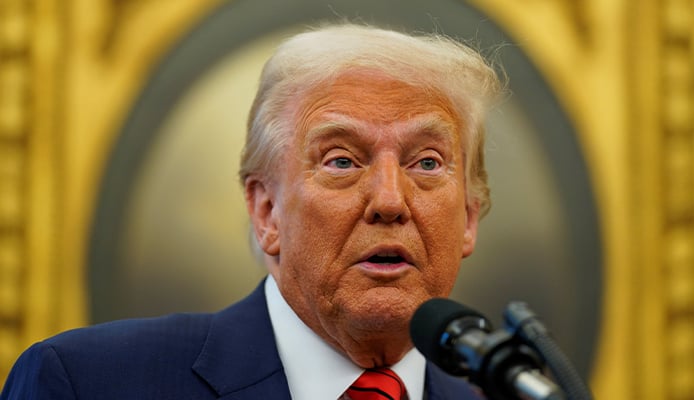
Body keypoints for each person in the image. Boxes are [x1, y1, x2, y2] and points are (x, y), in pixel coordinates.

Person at [1, 22, 503, 399]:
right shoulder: (87, 382)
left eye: (428, 162)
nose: (390, 201)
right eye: (342, 160)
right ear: (266, 212)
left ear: (469, 217)